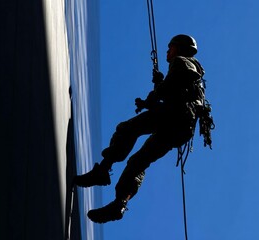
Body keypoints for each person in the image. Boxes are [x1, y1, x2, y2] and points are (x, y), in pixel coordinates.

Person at [74, 34, 208, 223]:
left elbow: (173, 85)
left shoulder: (182, 62)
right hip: (182, 127)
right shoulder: (194, 72)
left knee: (127, 129)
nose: (168, 51)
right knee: (139, 162)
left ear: (180, 48)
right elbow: (176, 90)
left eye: (171, 47)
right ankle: (120, 203)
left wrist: (152, 96)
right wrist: (157, 91)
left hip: (173, 115)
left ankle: (103, 170)